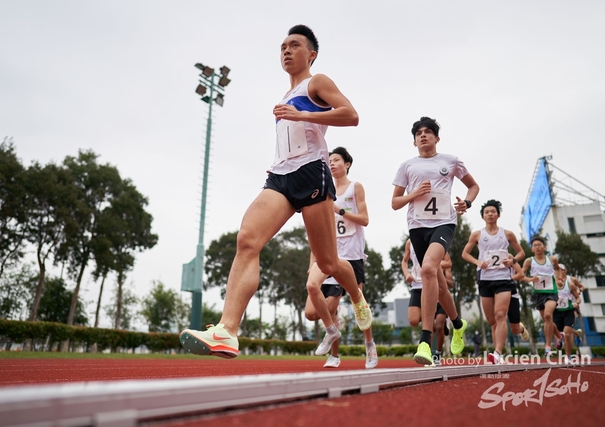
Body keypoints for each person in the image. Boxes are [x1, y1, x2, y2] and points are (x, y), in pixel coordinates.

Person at [180, 25, 372, 358]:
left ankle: (356, 295)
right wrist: (276, 162)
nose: (286, 50)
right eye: (282, 46)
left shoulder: (317, 82)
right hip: (280, 177)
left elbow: (351, 115)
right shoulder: (283, 96)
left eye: (294, 45)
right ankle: (227, 330)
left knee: (327, 261)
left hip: (312, 173)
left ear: (310, 54)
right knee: (247, 239)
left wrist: (303, 112)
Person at [392, 116, 480, 365]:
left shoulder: (450, 161)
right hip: (417, 227)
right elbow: (395, 203)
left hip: (444, 223)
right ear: (414, 141)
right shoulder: (407, 166)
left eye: (428, 132)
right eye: (419, 133)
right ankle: (458, 324)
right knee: (438, 284)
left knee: (429, 268)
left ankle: (425, 341)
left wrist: (468, 202)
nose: (423, 135)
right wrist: (414, 194)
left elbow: (473, 186)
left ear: (436, 138)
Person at [304, 146, 377, 369]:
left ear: (346, 164)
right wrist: (312, 262)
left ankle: (369, 345)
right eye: (329, 160)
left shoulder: (355, 188)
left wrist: (340, 211)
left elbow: (364, 219)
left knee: (359, 307)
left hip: (352, 255)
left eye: (336, 160)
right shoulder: (323, 189)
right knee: (311, 312)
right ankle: (333, 345)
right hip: (329, 255)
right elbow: (317, 230)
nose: (332, 163)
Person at [461, 199, 525, 364]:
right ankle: (502, 349)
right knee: (491, 320)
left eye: (493, 211)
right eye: (487, 212)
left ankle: (497, 353)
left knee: (500, 315)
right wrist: (477, 262)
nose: (490, 214)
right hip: (485, 279)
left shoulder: (507, 234)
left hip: (503, 279)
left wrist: (512, 262)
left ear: (498, 214)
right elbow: (464, 254)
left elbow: (521, 253)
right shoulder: (477, 235)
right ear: (483, 216)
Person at [401, 239, 452, 364]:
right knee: (413, 320)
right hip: (417, 286)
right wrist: (407, 273)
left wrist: (431, 263)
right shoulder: (410, 242)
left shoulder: (437, 240)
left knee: (438, 325)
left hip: (433, 286)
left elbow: (449, 263)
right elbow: (404, 260)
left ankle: (435, 354)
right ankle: (430, 324)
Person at [521, 236, 561, 356]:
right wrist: (530, 279)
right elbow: (521, 275)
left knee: (548, 315)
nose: (537, 247)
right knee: (546, 320)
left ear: (544, 247)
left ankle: (548, 346)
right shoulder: (529, 261)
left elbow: (558, 269)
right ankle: (559, 336)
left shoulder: (552, 259)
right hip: (538, 294)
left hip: (551, 292)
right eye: (535, 245)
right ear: (532, 249)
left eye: (539, 245)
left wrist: (559, 279)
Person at [553, 263, 582, 363]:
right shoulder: (550, 285)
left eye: (561, 270)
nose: (559, 272)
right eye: (557, 270)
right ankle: (559, 338)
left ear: (564, 272)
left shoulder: (570, 284)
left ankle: (567, 356)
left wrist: (576, 303)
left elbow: (578, 298)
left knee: (568, 333)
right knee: (559, 333)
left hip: (568, 311)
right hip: (556, 313)